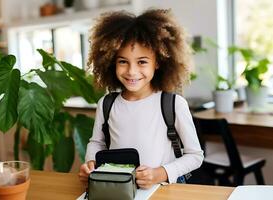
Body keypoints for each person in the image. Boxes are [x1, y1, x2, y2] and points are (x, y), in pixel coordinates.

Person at [78, 8, 203, 189]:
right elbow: (97, 142)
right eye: (123, 61)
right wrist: (91, 163)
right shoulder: (106, 104)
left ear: (158, 62)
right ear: (112, 62)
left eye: (142, 62)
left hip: (161, 190)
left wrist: (160, 173)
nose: (131, 71)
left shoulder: (173, 104)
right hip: (118, 189)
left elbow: (195, 156)